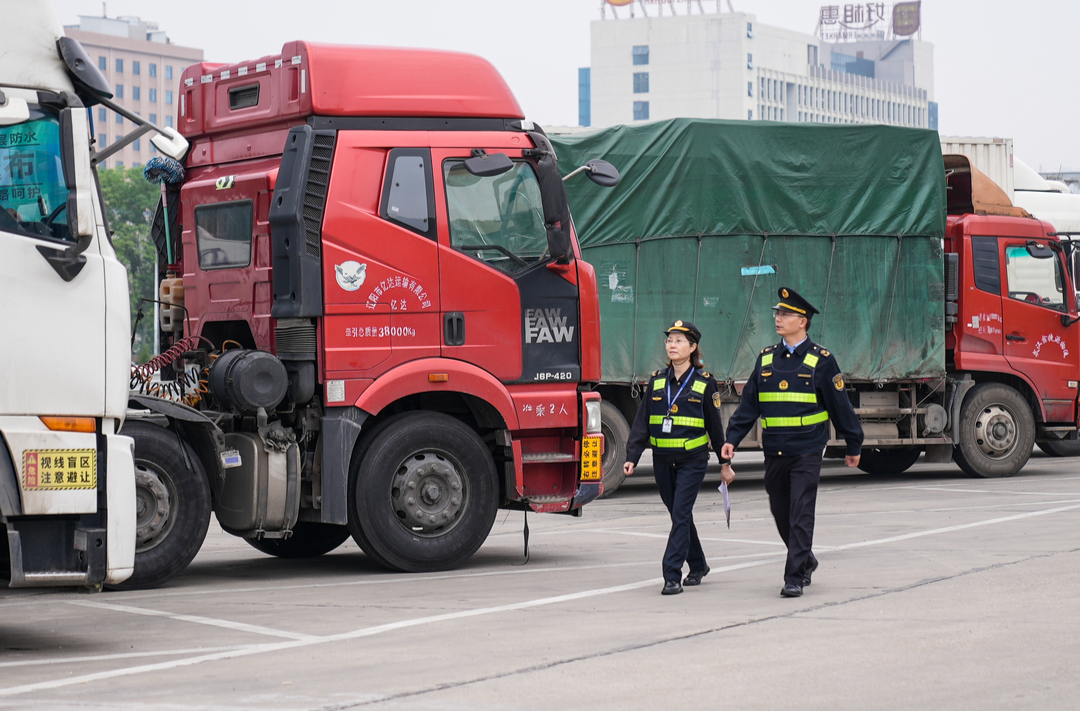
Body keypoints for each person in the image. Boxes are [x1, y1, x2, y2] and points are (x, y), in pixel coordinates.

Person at [720, 287, 863, 598]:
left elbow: (841, 406)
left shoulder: (822, 360)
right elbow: (749, 406)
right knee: (781, 510)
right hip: (774, 450)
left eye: (784, 314)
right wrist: (732, 439)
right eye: (777, 313)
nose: (778, 318)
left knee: (800, 510)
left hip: (807, 450)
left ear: (803, 321)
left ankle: (794, 575)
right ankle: (807, 559)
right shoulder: (766, 358)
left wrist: (854, 445)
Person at [624, 320, 736, 595]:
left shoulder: (704, 383)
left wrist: (725, 464)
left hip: (692, 461)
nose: (672, 345)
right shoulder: (657, 380)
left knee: (681, 513)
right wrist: (632, 456)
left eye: (679, 341)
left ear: (693, 346)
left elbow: (715, 427)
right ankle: (698, 565)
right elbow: (642, 422)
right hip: (662, 461)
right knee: (679, 516)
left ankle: (671, 574)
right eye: (669, 341)